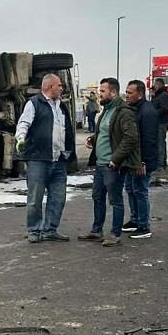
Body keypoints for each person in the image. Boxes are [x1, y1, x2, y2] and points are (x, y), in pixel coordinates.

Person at [78, 77, 140, 247]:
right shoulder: (106, 110)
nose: (100, 94)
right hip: (100, 164)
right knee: (97, 197)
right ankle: (96, 231)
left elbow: (130, 137)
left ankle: (115, 234)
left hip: (112, 165)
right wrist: (93, 138)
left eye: (103, 91)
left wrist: (116, 159)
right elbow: (106, 132)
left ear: (113, 92)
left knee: (115, 200)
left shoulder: (124, 112)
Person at [15, 74, 77, 243]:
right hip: (39, 159)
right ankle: (34, 230)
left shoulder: (61, 106)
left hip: (59, 160)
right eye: (59, 85)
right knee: (35, 198)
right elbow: (24, 123)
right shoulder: (34, 103)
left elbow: (66, 129)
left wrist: (69, 152)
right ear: (50, 87)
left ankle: (50, 229)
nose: (62, 88)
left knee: (58, 198)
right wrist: (20, 138)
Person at [122, 80, 158, 239]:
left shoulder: (147, 112)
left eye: (130, 93)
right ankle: (135, 219)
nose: (127, 95)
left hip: (141, 161)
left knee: (140, 191)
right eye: (126, 92)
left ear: (140, 94)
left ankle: (144, 226)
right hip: (132, 160)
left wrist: (143, 162)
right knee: (131, 189)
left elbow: (148, 139)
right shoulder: (134, 109)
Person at [151, 78, 168, 170]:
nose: (154, 86)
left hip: (161, 123)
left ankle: (160, 164)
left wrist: (153, 113)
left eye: (155, 85)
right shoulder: (157, 95)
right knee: (159, 143)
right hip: (157, 123)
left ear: (159, 85)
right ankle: (162, 162)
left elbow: (164, 108)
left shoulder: (164, 96)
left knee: (160, 143)